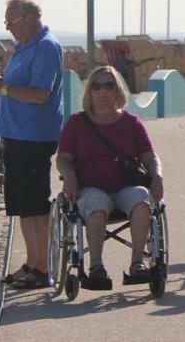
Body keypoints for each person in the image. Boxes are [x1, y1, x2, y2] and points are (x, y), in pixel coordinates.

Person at [0, 0, 65, 288]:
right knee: (21, 205)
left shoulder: (46, 47)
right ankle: (31, 262)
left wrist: (0, 86)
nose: (9, 28)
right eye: (7, 22)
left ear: (31, 18)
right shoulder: (22, 47)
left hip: (34, 136)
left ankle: (43, 268)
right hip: (14, 133)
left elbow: (40, 94)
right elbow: (15, 85)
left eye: (12, 21)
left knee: (35, 203)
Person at [57, 65, 165, 289]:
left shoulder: (131, 123)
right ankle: (96, 266)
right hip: (90, 188)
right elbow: (64, 158)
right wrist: (69, 178)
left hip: (126, 187)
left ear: (118, 91)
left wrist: (157, 177)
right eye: (97, 86)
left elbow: (149, 156)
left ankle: (138, 263)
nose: (103, 91)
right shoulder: (76, 123)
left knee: (142, 198)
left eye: (109, 85)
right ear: (90, 92)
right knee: (96, 203)